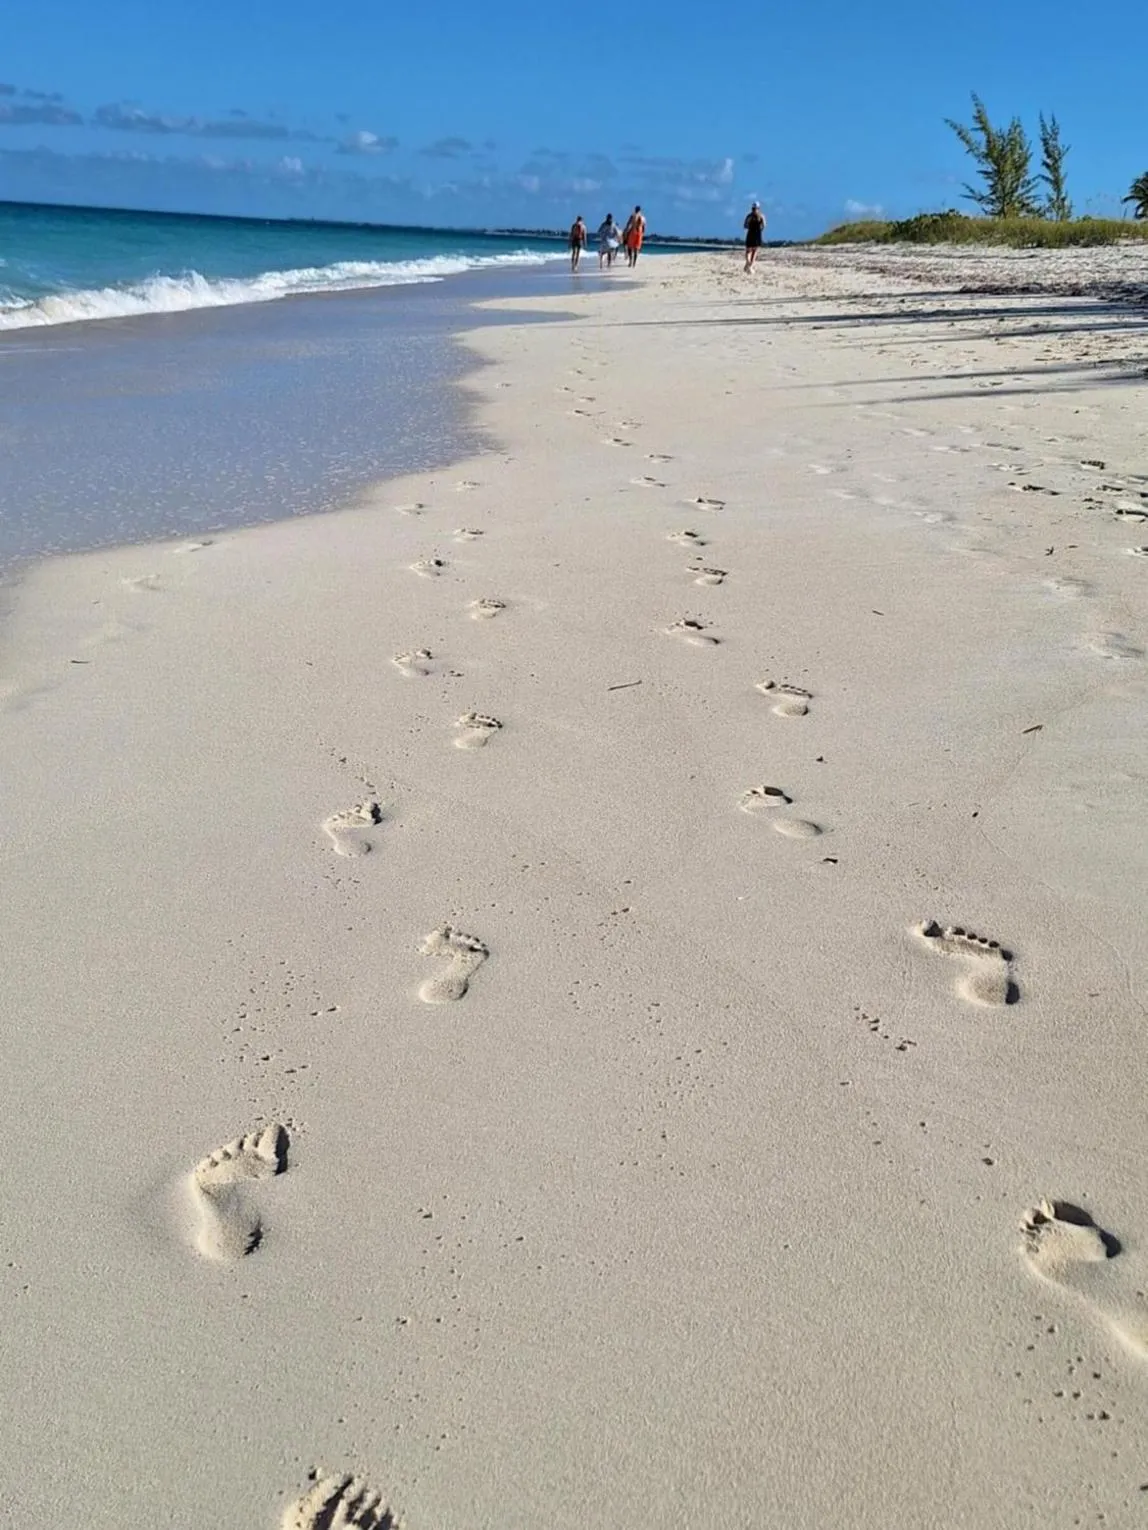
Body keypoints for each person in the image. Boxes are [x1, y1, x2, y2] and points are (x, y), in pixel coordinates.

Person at [743, 201, 766, 273]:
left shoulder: (749, 216)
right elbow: (764, 225)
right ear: (758, 208)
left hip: (750, 233)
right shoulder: (761, 216)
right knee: (754, 251)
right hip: (757, 234)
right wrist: (760, 229)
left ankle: (748, 264)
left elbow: (745, 225)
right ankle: (750, 265)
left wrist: (750, 227)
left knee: (748, 250)